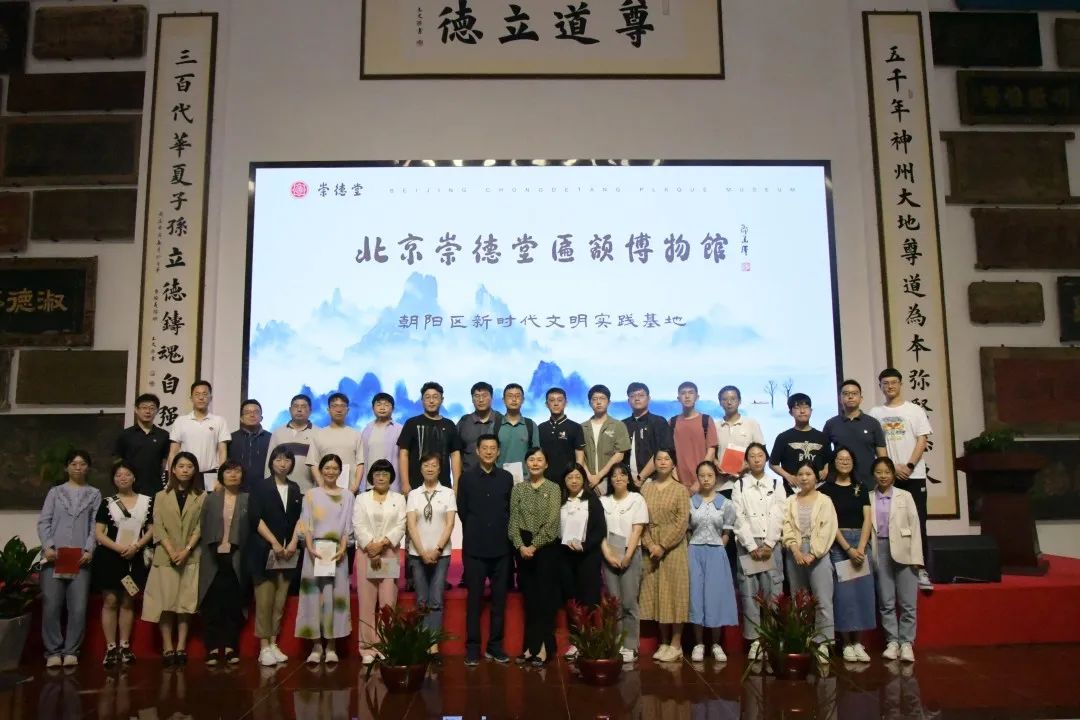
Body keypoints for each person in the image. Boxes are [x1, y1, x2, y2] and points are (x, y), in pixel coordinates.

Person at [869, 368, 934, 592]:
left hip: (913, 475)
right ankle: (888, 571)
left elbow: (922, 441)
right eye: (885, 383)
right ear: (880, 387)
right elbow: (876, 444)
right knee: (886, 524)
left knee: (917, 522)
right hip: (887, 477)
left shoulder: (915, 410)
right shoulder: (875, 413)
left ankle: (921, 569)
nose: (890, 386)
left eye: (893, 382)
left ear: (901, 384)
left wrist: (908, 466)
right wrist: (890, 467)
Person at [37, 450, 101, 668]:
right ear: (66, 467)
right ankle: (53, 651)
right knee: (51, 605)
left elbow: (95, 525)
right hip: (54, 558)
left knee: (78, 607)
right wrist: (48, 546)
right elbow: (44, 522)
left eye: (82, 464)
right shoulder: (55, 492)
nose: (78, 467)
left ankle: (71, 650)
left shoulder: (94, 494)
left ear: (88, 468)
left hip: (81, 559)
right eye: (74, 463)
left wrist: (89, 550)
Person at [143, 451, 207, 667]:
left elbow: (200, 527)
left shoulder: (202, 496)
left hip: (190, 557)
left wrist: (186, 550)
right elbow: (158, 526)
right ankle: (167, 646)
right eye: (181, 466)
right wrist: (171, 551)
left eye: (189, 466)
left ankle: (181, 646)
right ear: (173, 469)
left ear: (195, 470)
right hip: (165, 557)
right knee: (166, 604)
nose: (185, 470)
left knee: (185, 605)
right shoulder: (161, 495)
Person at [456, 434, 513, 666]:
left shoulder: (507, 478)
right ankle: (472, 648)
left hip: (501, 548)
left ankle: (495, 646)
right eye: (485, 448)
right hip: (475, 549)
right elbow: (462, 511)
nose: (489, 452)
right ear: (478, 451)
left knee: (499, 601)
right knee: (474, 601)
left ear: (498, 452)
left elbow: (510, 510)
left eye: (493, 448)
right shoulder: (466, 478)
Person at [93, 461, 154, 667]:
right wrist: (119, 548)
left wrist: (136, 546)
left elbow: (152, 529)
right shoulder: (107, 503)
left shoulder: (147, 502)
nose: (123, 478)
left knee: (128, 601)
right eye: (118, 475)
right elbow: (99, 533)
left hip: (135, 557)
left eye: (127, 474)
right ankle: (111, 648)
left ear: (134, 477)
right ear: (113, 479)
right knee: (110, 601)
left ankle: (124, 645)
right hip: (110, 557)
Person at [295, 454, 354, 664]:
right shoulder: (311, 495)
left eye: (334, 468)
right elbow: (306, 523)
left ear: (340, 472)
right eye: (327, 468)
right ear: (320, 470)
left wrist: (343, 548)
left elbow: (348, 525)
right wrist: (310, 547)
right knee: (313, 597)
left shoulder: (348, 495)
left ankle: (331, 646)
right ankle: (316, 646)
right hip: (314, 552)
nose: (330, 472)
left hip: (337, 553)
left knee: (334, 598)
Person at [247, 446, 303, 667]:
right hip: (264, 550)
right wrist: (274, 543)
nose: (283, 464)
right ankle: (263, 647)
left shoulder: (295, 488)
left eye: (287, 460)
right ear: (271, 462)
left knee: (280, 601)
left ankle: (273, 643)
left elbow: (299, 519)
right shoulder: (260, 486)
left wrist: (292, 542)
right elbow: (255, 518)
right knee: (264, 600)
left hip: (288, 553)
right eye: (278, 459)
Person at [731, 442, 786, 661]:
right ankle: (754, 641)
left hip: (771, 544)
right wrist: (752, 546)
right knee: (749, 594)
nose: (756, 459)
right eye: (752, 456)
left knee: (773, 592)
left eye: (760, 455)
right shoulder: (739, 485)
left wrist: (770, 543)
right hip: (748, 545)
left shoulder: (776, 482)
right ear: (746, 460)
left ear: (766, 458)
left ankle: (771, 638)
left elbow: (779, 514)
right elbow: (738, 516)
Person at [819, 448, 875, 663]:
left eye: (848, 459)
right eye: (840, 459)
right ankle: (846, 643)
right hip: (839, 546)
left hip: (861, 544)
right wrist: (848, 549)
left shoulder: (861, 487)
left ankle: (858, 642)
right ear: (834, 462)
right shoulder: (826, 490)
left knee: (862, 593)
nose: (844, 462)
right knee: (843, 595)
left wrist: (860, 547)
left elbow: (867, 518)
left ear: (853, 462)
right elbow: (830, 523)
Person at [509, 446, 562, 667]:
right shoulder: (518, 489)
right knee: (530, 600)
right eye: (531, 459)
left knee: (544, 599)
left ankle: (543, 647)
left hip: (546, 549)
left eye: (540, 460)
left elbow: (552, 523)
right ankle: (529, 646)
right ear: (526, 463)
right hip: (523, 549)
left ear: (546, 464)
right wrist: (521, 546)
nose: (535, 463)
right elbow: (513, 522)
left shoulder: (554, 488)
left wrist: (534, 546)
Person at [781, 460, 838, 663]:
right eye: (800, 474)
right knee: (800, 601)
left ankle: (823, 644)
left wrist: (813, 554)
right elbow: (786, 526)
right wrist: (796, 550)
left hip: (819, 554)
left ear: (816, 477)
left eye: (808, 474)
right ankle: (803, 641)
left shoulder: (825, 501)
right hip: (794, 553)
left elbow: (828, 529)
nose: (804, 478)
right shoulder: (790, 501)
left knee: (822, 600)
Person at [639, 447, 691, 663]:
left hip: (674, 548)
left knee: (675, 594)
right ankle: (664, 641)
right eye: (658, 459)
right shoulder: (646, 489)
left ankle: (676, 644)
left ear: (673, 464)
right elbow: (640, 519)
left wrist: (662, 545)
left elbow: (682, 522)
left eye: (666, 459)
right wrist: (650, 544)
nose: (662, 462)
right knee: (657, 593)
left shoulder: (681, 490)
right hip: (650, 548)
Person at [353, 459, 406, 665]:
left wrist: (382, 544)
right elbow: (358, 524)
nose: (381, 477)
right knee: (366, 602)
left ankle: (385, 645)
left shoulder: (398, 499)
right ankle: (367, 647)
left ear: (391, 477)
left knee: (387, 603)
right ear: (371, 477)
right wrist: (370, 547)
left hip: (389, 553)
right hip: (366, 553)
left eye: (385, 474)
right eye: (377, 474)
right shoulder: (361, 499)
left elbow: (401, 525)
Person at [197, 461, 251, 666]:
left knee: (232, 604)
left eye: (237, 471)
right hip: (213, 555)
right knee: (213, 603)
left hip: (237, 556)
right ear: (221, 475)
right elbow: (202, 525)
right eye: (228, 471)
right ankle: (212, 647)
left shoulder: (247, 499)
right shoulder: (211, 499)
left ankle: (230, 646)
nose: (233, 475)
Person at [870, 457, 922, 664]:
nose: (883, 476)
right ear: (873, 475)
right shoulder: (869, 497)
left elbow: (915, 526)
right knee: (886, 601)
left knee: (908, 602)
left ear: (893, 474)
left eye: (887, 472)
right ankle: (892, 641)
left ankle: (906, 642)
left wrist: (917, 557)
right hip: (880, 549)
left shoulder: (905, 496)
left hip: (905, 550)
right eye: (879, 472)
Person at [406, 454, 457, 660]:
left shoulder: (448, 493)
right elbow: (411, 525)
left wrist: (437, 549)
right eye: (426, 465)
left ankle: (433, 646)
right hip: (416, 554)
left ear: (440, 469)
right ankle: (421, 643)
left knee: (436, 599)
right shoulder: (413, 494)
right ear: (420, 469)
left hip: (441, 554)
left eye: (434, 465)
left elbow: (450, 524)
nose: (429, 468)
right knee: (421, 600)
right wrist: (421, 551)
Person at [688, 461, 739, 663]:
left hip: (717, 552)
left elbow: (727, 531)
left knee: (715, 597)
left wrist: (720, 547)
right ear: (698, 478)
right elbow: (688, 529)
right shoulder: (691, 502)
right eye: (702, 475)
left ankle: (716, 644)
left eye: (710, 475)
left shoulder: (725, 503)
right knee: (696, 596)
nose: (706, 479)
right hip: (695, 551)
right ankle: (698, 643)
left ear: (716, 478)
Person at [599, 463, 648, 663]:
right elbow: (599, 532)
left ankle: (631, 646)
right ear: (610, 480)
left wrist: (627, 556)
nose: (618, 478)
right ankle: (616, 643)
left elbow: (637, 530)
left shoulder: (637, 499)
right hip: (609, 554)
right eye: (614, 475)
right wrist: (608, 555)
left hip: (631, 553)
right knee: (614, 604)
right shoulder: (603, 501)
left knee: (629, 602)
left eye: (622, 474)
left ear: (628, 478)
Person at [559, 463, 607, 660]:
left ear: (584, 480)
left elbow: (600, 530)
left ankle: (591, 641)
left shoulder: (592, 501)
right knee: (572, 600)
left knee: (589, 599)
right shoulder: (559, 500)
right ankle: (576, 642)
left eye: (577, 477)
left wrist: (584, 546)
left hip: (588, 557)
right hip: (565, 558)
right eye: (570, 477)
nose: (574, 481)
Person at [398, 381, 463, 493]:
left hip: (443, 486)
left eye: (435, 397)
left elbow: (455, 455)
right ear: (422, 400)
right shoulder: (411, 423)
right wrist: (404, 483)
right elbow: (404, 453)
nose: (431, 401)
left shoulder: (449, 425)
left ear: (442, 400)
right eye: (427, 397)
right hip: (415, 486)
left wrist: (456, 484)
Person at [822, 379, 887, 492]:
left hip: (869, 483)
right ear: (840, 399)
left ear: (861, 398)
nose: (850, 397)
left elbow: (882, 457)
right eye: (846, 394)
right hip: (839, 483)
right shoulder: (831, 424)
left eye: (854, 393)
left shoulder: (873, 423)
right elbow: (824, 453)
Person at [167, 381, 229, 491]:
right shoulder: (181, 421)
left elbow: (222, 452)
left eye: (205, 394)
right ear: (191, 398)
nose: (201, 398)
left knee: (210, 502)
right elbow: (173, 452)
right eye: (197, 394)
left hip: (211, 474)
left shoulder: (219, 421)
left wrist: (221, 478)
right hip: (186, 474)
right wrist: (171, 479)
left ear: (210, 398)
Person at [770, 393, 832, 493]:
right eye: (797, 408)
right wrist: (788, 476)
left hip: (819, 490)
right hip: (793, 491)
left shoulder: (822, 437)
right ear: (790, 412)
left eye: (806, 407)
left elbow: (829, 460)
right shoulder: (783, 437)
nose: (802, 411)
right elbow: (773, 463)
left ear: (811, 410)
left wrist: (826, 469)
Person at [307, 393, 364, 494]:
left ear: (347, 410)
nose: (339, 409)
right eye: (334, 406)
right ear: (328, 410)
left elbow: (360, 463)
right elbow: (313, 463)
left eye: (342, 406)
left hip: (350, 491)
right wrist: (322, 487)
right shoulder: (318, 434)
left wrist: (355, 487)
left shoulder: (356, 434)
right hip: (324, 492)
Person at [114, 393, 170, 496]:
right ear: (136, 409)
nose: (148, 411)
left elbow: (164, 462)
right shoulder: (125, 435)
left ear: (157, 411)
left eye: (152, 408)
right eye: (144, 407)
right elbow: (117, 461)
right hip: (130, 488)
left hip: (155, 487)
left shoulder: (164, 435)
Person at [669, 381, 718, 494]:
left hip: (703, 482)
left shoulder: (706, 420)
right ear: (678, 398)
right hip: (678, 482)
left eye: (691, 393)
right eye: (683, 393)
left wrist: (700, 480)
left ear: (697, 397)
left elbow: (711, 452)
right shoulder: (672, 422)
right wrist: (675, 478)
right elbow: (669, 452)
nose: (687, 396)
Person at [581, 384, 630, 495]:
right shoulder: (581, 427)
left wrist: (599, 476)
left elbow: (619, 455)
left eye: (602, 398)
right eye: (594, 399)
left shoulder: (618, 425)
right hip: (587, 480)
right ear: (589, 403)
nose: (598, 402)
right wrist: (589, 476)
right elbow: (580, 455)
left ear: (609, 402)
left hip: (610, 480)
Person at [622, 382, 673, 488]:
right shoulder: (622, 424)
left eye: (641, 395)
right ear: (628, 401)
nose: (637, 399)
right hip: (627, 482)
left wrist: (641, 478)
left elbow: (663, 452)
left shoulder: (659, 422)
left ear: (649, 398)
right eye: (632, 396)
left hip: (653, 480)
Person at [715, 385, 765, 492]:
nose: (729, 402)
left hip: (748, 484)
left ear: (739, 401)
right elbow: (711, 454)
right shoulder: (715, 426)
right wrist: (716, 464)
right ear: (720, 402)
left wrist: (746, 465)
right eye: (725, 399)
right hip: (721, 485)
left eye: (733, 399)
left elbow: (763, 453)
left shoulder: (751, 423)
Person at [264, 394, 316, 493]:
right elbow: (269, 464)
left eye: (303, 406)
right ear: (290, 410)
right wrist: (268, 488)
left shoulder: (318, 433)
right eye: (296, 406)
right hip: (280, 491)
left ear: (310, 410)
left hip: (308, 491)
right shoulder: (278, 433)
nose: (299, 410)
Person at [537, 387, 586, 482]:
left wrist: (576, 478)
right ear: (546, 404)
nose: (556, 403)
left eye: (560, 400)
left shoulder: (575, 427)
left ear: (566, 403)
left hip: (568, 480)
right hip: (545, 480)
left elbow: (579, 458)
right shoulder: (540, 428)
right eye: (552, 400)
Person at [495, 383, 540, 482]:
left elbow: (537, 456)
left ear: (523, 400)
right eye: (510, 396)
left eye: (517, 396)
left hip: (526, 481)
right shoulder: (495, 426)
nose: (514, 399)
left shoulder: (530, 425)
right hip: (499, 480)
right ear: (503, 400)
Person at [359, 392, 403, 492]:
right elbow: (363, 458)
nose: (382, 408)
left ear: (393, 408)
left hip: (392, 485)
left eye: (386, 405)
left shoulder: (400, 429)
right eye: (378, 404)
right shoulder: (367, 429)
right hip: (370, 484)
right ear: (373, 408)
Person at [457, 382, 501, 475]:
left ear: (492, 398)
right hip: (469, 477)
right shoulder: (464, 422)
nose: (481, 400)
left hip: (497, 477)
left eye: (484, 396)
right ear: (472, 399)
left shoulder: (501, 420)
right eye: (477, 396)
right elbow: (456, 453)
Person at [228, 399, 271, 491]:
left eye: (256, 412)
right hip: (237, 489)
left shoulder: (271, 438)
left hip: (264, 489)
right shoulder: (231, 438)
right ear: (241, 418)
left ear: (261, 418)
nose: (252, 415)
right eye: (247, 412)